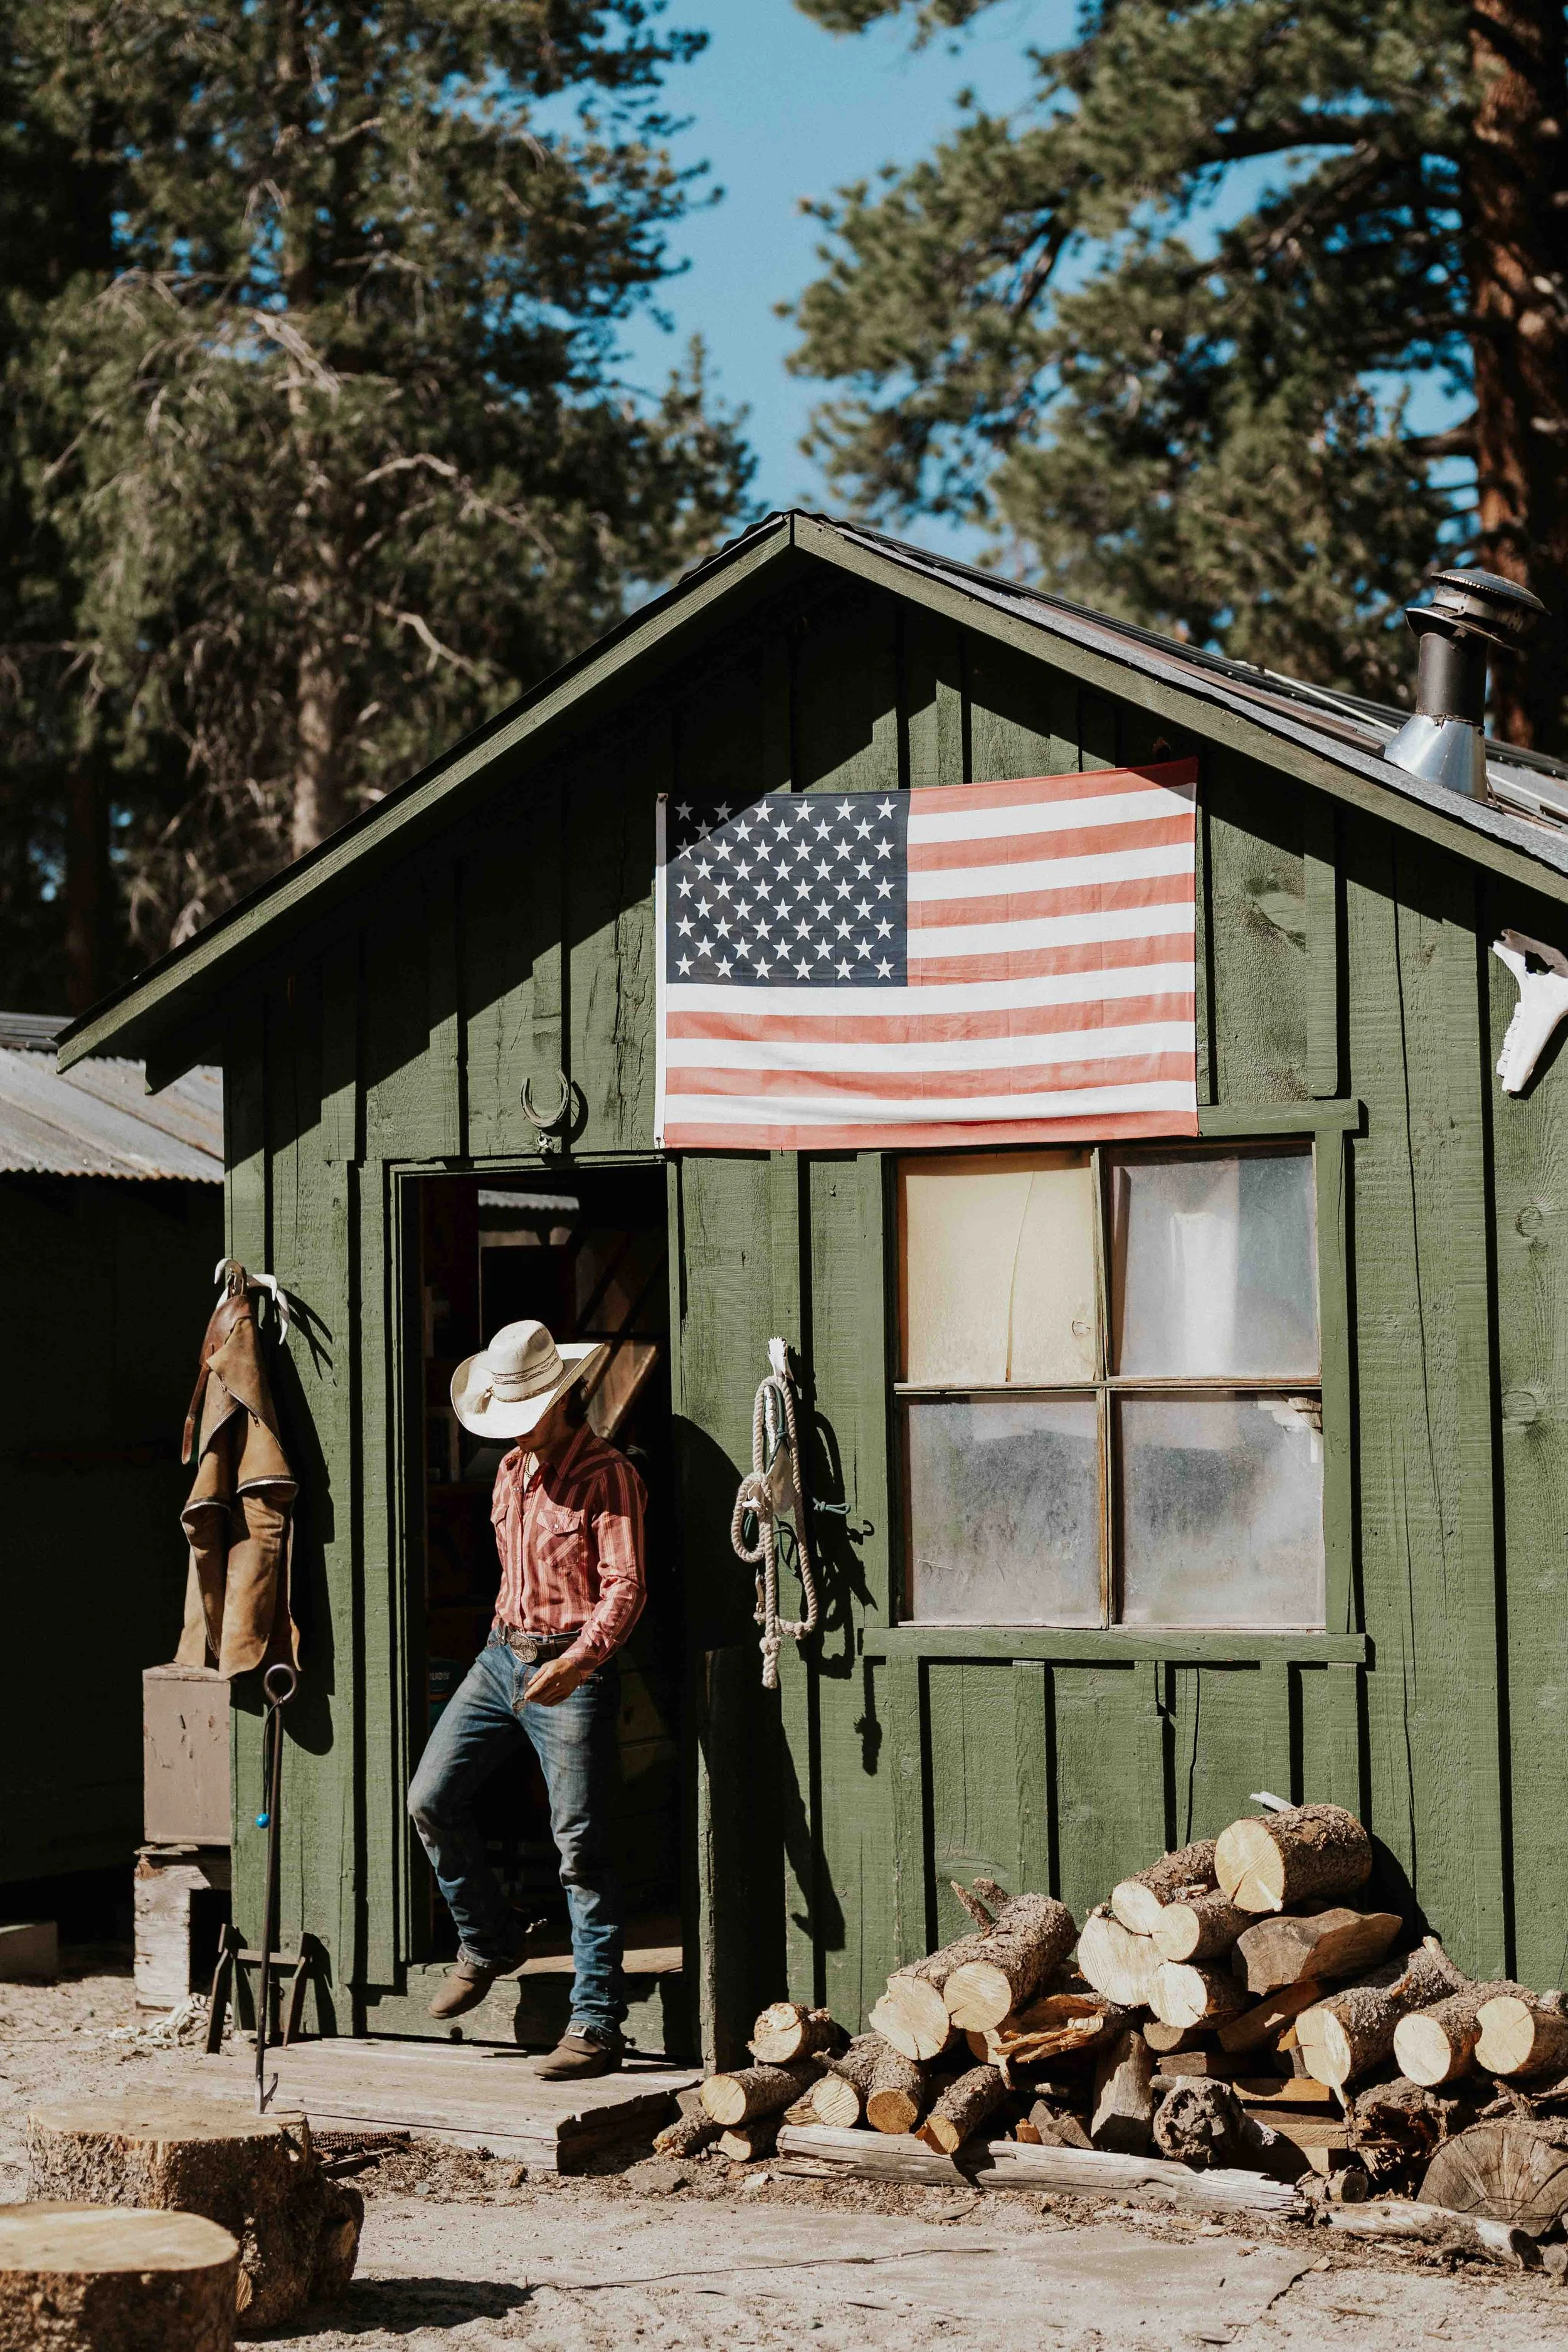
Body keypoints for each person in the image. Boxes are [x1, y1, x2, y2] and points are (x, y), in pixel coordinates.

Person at [408, 1318, 646, 2080]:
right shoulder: (512, 1469)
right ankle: (488, 1938)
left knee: (581, 1846)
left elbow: (625, 1586)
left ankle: (597, 2021)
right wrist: (507, 1653)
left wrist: (577, 1663)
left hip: (571, 1669)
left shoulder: (608, 1475)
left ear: (560, 1401)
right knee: (431, 1798)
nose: (516, 1429)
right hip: (502, 1655)